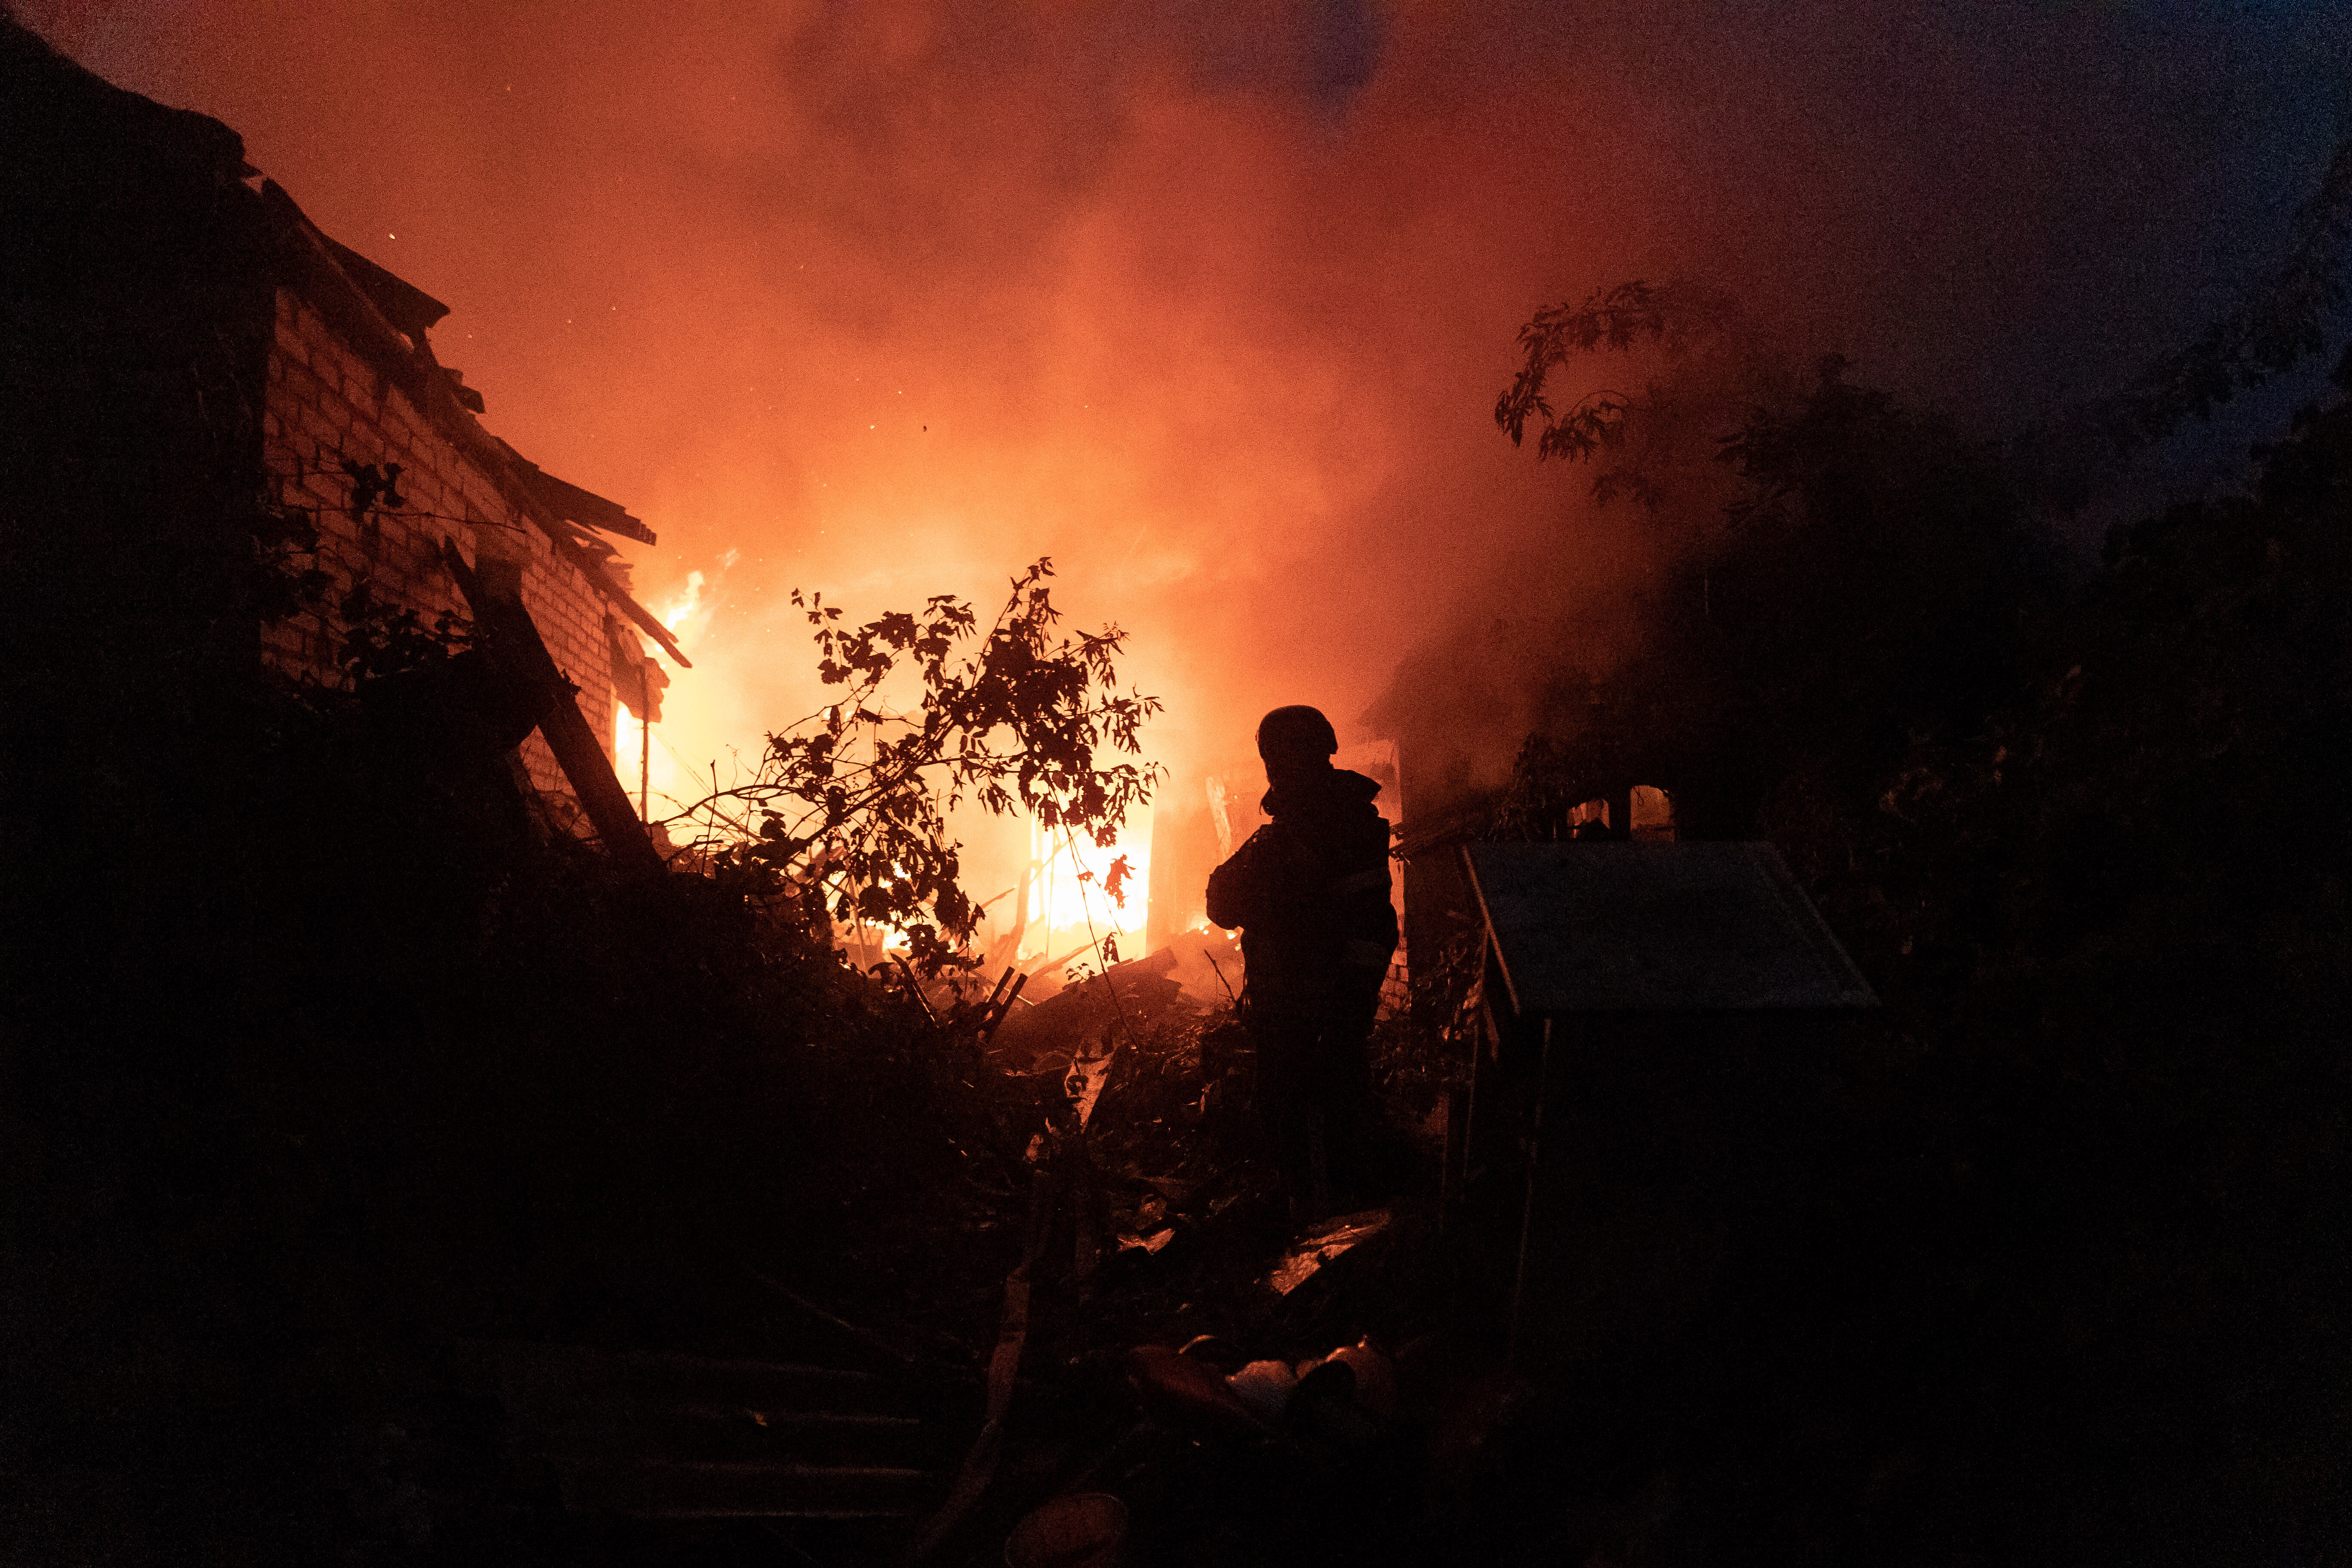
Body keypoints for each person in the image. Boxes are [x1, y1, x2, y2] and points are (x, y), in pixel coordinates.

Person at [1206, 705, 1398, 1218]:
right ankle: (1312, 1236)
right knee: (1291, 1135)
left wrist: (1347, 1013)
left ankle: (1344, 1247)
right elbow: (1222, 904)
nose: (1274, 766)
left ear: (1315, 753)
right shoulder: (1283, 834)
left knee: (1338, 1138)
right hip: (1282, 1020)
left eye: (1282, 754)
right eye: (1270, 755)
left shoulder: (1343, 829)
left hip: (1323, 1020)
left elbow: (1375, 929)